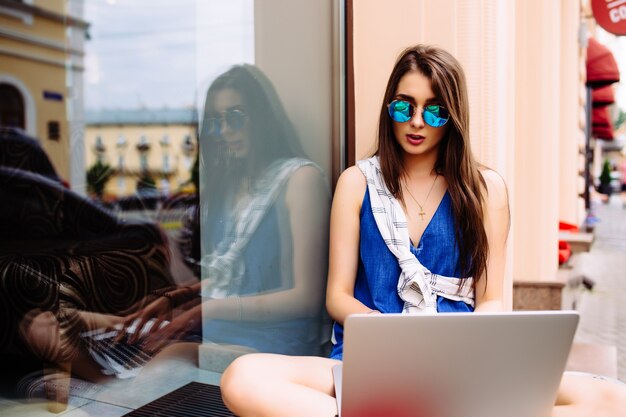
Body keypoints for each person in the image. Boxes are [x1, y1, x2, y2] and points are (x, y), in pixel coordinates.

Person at [220, 45, 626, 417]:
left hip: (461, 362)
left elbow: (490, 300)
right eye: (404, 107)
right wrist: (393, 336)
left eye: (434, 111)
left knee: (612, 399)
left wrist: (456, 350)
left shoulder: (486, 190)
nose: (417, 122)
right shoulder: (356, 183)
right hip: (368, 362)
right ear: (389, 108)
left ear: (453, 117)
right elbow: (337, 297)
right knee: (242, 378)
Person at [121, 64, 331, 358]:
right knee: (76, 326)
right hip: (219, 330)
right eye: (216, 122)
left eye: (235, 117)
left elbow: (307, 298)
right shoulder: (229, 186)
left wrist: (203, 311)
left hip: (270, 344)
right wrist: (176, 297)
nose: (224, 132)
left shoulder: (300, 180)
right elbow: (235, 279)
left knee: (160, 358)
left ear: (261, 118)